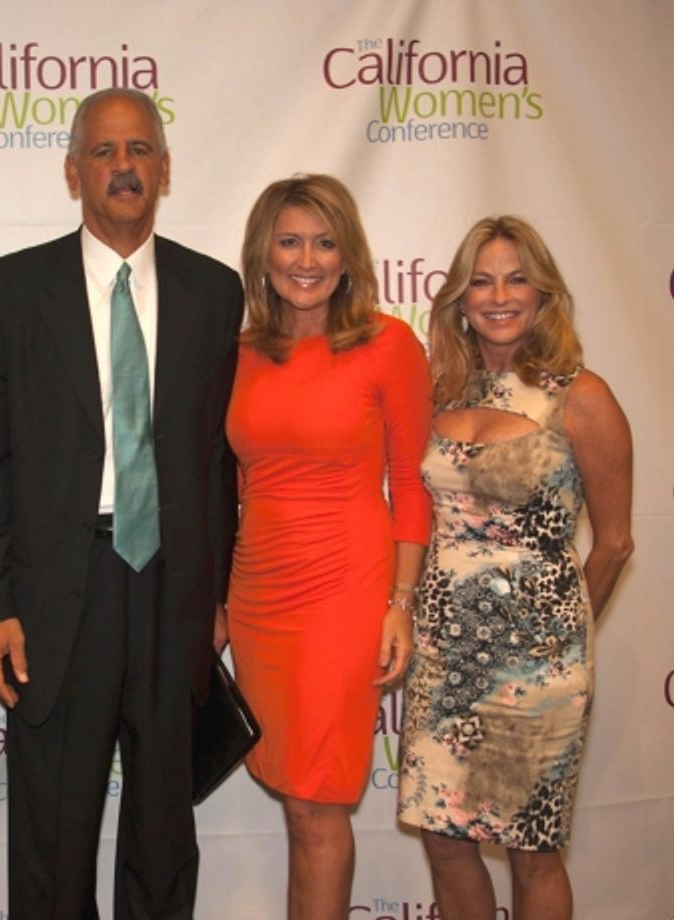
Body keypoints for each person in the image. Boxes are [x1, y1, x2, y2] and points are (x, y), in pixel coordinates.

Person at [0, 86, 243, 918]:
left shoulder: (214, 291)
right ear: (71, 172)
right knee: (51, 828)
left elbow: (220, 462)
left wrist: (217, 594)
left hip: (171, 589)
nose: (124, 166)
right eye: (104, 151)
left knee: (164, 832)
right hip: (54, 592)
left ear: (164, 168)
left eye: (139, 150)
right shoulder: (10, 293)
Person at [397, 216, 633, 919]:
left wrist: (553, 638)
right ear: (459, 300)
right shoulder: (441, 390)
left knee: (530, 848)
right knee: (445, 839)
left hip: (534, 676)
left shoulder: (579, 395)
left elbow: (615, 543)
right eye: (481, 280)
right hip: (443, 662)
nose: (499, 295)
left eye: (517, 278)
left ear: (544, 293)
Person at [222, 174, 433, 919]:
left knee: (316, 806)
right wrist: (219, 599)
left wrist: (400, 604)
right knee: (296, 801)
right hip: (258, 598)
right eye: (289, 240)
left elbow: (411, 486)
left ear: (348, 256)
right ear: (263, 253)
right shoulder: (240, 350)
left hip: (344, 589)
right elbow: (233, 486)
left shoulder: (386, 344)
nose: (305, 259)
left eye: (323, 241)